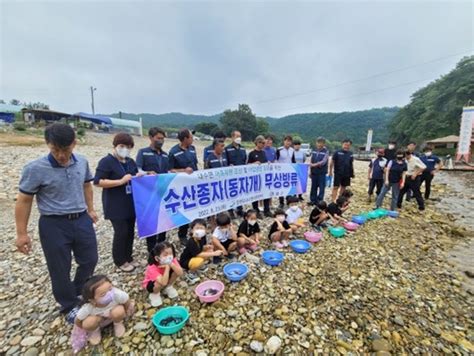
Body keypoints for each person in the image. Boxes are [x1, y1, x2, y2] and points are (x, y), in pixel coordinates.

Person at [15, 123, 98, 323]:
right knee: (59, 267)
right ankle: (68, 304)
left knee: (90, 259)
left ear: (74, 144)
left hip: (81, 219)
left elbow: (87, 185)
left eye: (66, 149)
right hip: (53, 224)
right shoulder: (35, 168)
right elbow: (24, 200)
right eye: (55, 150)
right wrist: (21, 233)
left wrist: (91, 209)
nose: (61, 155)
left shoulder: (82, 162)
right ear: (48, 145)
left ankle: (79, 290)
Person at [94, 133, 139, 272]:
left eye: (128, 147)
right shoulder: (106, 161)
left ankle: (128, 256)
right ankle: (120, 260)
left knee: (130, 231)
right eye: (122, 146)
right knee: (121, 232)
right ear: (115, 146)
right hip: (115, 205)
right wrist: (120, 181)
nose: (125, 149)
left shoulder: (130, 162)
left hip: (130, 203)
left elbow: (135, 175)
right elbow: (98, 181)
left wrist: (139, 177)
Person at [135, 127, 169, 250]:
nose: (161, 141)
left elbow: (168, 172)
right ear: (151, 138)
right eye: (158, 138)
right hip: (148, 194)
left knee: (164, 219)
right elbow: (137, 170)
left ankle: (162, 245)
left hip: (163, 192)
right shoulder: (143, 152)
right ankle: (152, 248)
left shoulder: (165, 155)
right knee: (151, 220)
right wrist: (146, 173)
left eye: (162, 138)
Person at [75, 275, 133, 345]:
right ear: (92, 300)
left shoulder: (117, 294)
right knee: (88, 322)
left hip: (114, 315)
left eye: (110, 289)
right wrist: (86, 328)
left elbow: (126, 301)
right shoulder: (88, 307)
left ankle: (118, 323)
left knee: (119, 311)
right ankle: (95, 330)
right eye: (103, 294)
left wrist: (126, 311)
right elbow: (78, 320)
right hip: (99, 321)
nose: (109, 294)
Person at [168, 128, 199, 245]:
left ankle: (193, 229)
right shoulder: (173, 152)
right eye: (191, 137)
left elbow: (195, 165)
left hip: (193, 185)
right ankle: (182, 235)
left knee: (194, 208)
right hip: (181, 187)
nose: (192, 139)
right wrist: (183, 171)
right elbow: (170, 170)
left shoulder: (192, 149)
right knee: (184, 208)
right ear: (185, 139)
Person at [179, 219, 223, 283]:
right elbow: (198, 254)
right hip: (186, 261)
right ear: (192, 230)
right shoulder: (191, 241)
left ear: (205, 230)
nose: (199, 230)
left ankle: (199, 266)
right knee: (200, 260)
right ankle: (191, 273)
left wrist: (206, 247)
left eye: (201, 228)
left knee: (209, 250)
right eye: (197, 228)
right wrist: (214, 253)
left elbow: (201, 247)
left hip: (195, 255)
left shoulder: (202, 237)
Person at [142, 242, 183, 307]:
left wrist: (171, 264)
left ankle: (168, 287)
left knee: (176, 271)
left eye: (171, 253)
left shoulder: (172, 260)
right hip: (153, 284)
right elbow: (163, 282)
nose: (169, 256)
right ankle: (155, 294)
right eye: (165, 255)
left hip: (165, 279)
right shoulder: (152, 268)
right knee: (158, 283)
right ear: (157, 258)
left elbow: (180, 273)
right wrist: (167, 267)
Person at [248, 135, 272, 218]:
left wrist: (268, 163)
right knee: (255, 194)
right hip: (255, 178)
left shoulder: (263, 152)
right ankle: (256, 210)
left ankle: (267, 210)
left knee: (266, 193)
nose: (263, 145)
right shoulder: (251, 153)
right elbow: (246, 165)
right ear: (257, 142)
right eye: (262, 143)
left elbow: (264, 162)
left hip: (263, 177)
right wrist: (253, 164)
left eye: (264, 143)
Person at [225, 130, 247, 217]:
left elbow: (244, 161)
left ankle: (239, 209)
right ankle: (230, 210)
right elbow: (225, 162)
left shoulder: (242, 148)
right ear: (232, 137)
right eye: (237, 136)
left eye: (240, 136)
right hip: (231, 176)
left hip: (241, 175)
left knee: (240, 192)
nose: (239, 138)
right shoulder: (227, 149)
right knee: (231, 192)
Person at [276, 135, 296, 208]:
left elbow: (293, 161)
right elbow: (276, 160)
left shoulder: (292, 150)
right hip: (280, 172)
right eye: (287, 140)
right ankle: (281, 202)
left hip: (289, 172)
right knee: (281, 187)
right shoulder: (279, 149)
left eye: (290, 141)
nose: (288, 142)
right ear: (284, 141)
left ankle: (289, 200)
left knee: (288, 186)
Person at [309, 137, 329, 205]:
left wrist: (314, 165)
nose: (319, 144)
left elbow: (323, 162)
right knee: (313, 187)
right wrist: (310, 171)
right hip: (314, 172)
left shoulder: (326, 151)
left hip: (322, 172)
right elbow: (311, 160)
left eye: (321, 143)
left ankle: (319, 200)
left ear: (324, 143)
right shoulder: (314, 150)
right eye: (318, 142)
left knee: (321, 187)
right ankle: (313, 200)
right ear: (316, 143)